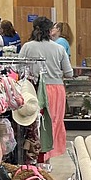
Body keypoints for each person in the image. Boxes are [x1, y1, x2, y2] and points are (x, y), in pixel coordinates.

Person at [19, 16, 75, 159]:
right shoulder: (59, 48)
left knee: (34, 122)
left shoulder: (27, 46)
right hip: (55, 89)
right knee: (54, 121)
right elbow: (69, 73)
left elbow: (18, 68)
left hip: (33, 88)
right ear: (50, 31)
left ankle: (34, 154)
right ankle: (49, 154)